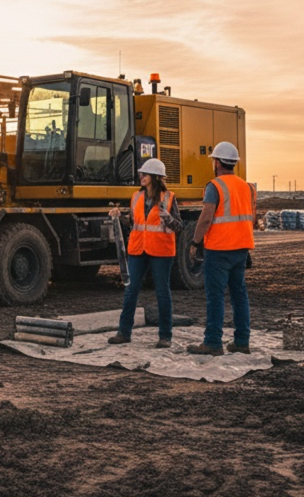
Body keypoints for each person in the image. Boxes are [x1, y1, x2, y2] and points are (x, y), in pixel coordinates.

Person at [187, 141, 257, 356]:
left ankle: (213, 342)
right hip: (241, 249)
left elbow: (206, 218)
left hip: (219, 249)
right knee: (239, 295)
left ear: (216, 163)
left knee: (215, 296)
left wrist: (195, 242)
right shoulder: (247, 187)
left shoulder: (215, 186)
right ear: (234, 163)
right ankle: (242, 341)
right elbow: (251, 218)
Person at [108, 158, 183, 348]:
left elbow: (179, 226)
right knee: (130, 291)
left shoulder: (169, 197)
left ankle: (165, 336)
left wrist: (168, 219)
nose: (141, 176)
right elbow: (134, 223)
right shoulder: (136, 197)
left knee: (162, 293)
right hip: (138, 249)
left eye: (145, 174)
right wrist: (119, 216)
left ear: (155, 178)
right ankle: (123, 332)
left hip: (161, 251)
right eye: (142, 173)